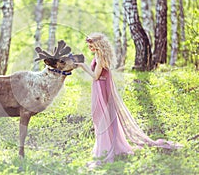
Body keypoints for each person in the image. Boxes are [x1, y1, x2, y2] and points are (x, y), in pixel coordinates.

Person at [75, 32, 182, 167]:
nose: (89, 47)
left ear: (98, 44)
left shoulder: (101, 57)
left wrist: (82, 65)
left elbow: (95, 76)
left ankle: (104, 153)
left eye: (91, 44)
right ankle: (110, 148)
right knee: (102, 119)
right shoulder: (98, 55)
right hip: (100, 89)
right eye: (88, 45)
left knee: (102, 120)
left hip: (101, 90)